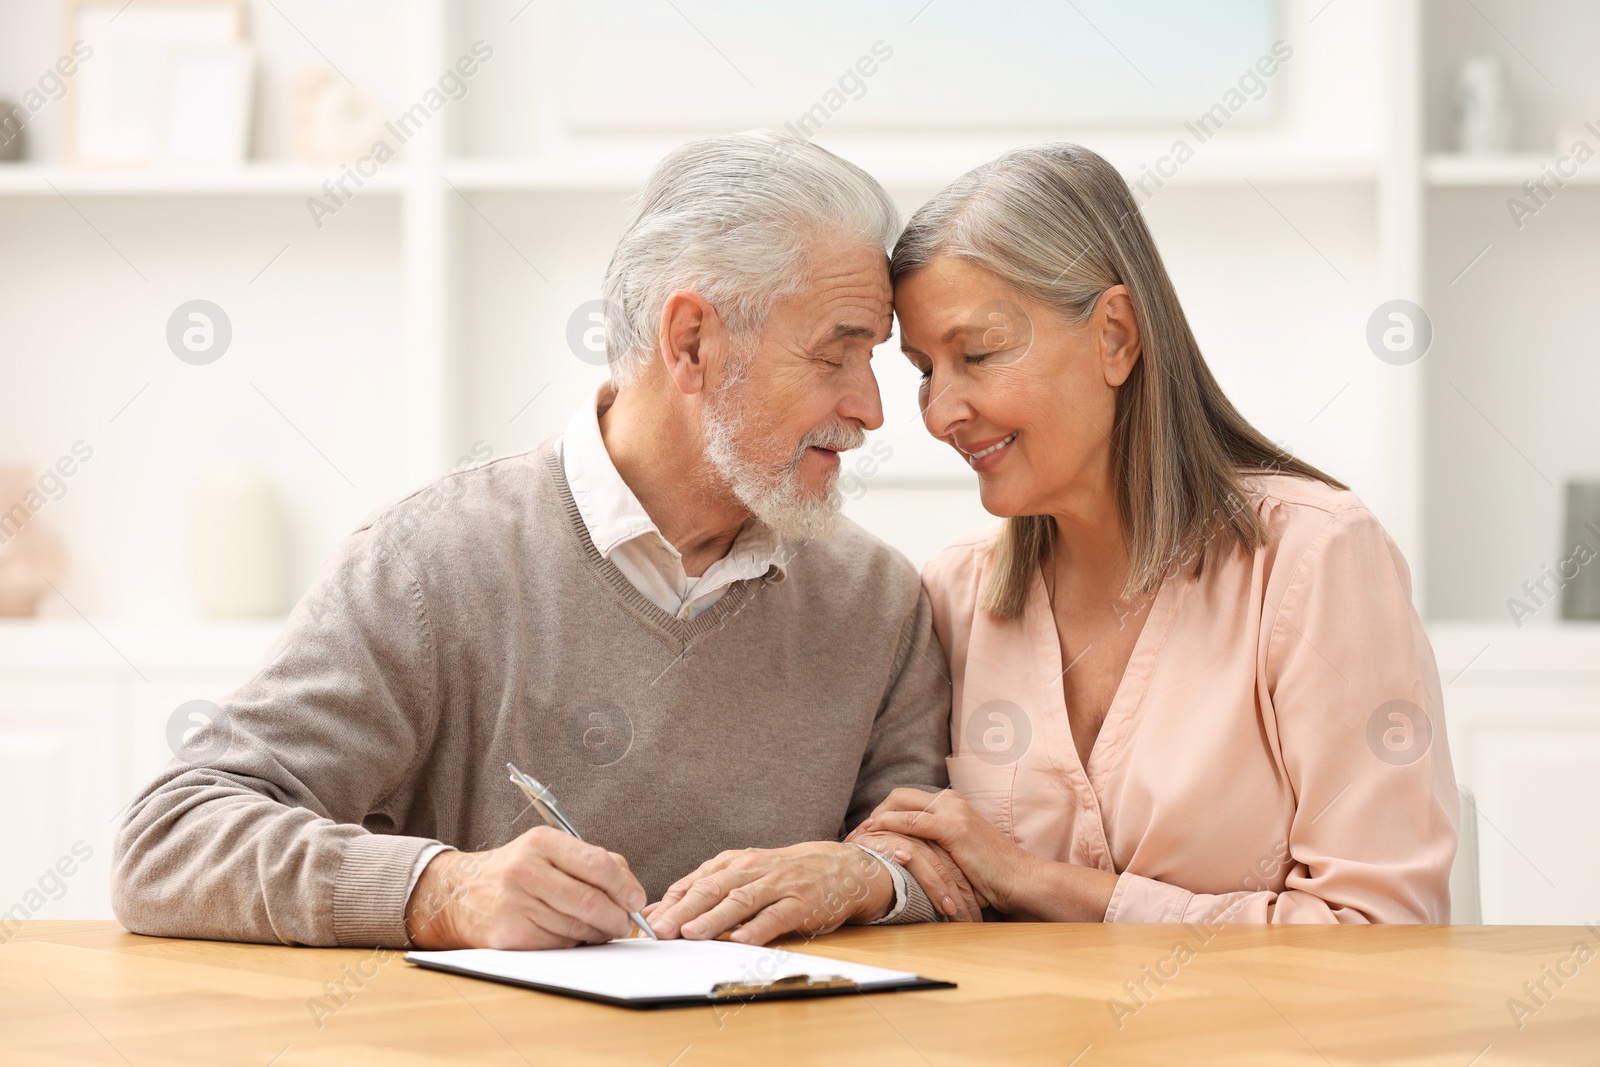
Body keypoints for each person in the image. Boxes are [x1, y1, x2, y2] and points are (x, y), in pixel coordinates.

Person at [112, 131, 980, 950]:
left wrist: (863, 874)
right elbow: (171, 838)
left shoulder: (877, 598)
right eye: (837, 355)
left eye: (876, 363)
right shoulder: (429, 564)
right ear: (692, 342)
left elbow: (932, 858)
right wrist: (441, 890)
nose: (870, 410)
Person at [849, 143, 1459, 924]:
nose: (939, 414)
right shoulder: (953, 597)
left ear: (1115, 335)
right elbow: (924, 875)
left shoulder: (1315, 560)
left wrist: (1041, 881)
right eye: (926, 369)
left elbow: (1384, 931)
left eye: (979, 353)